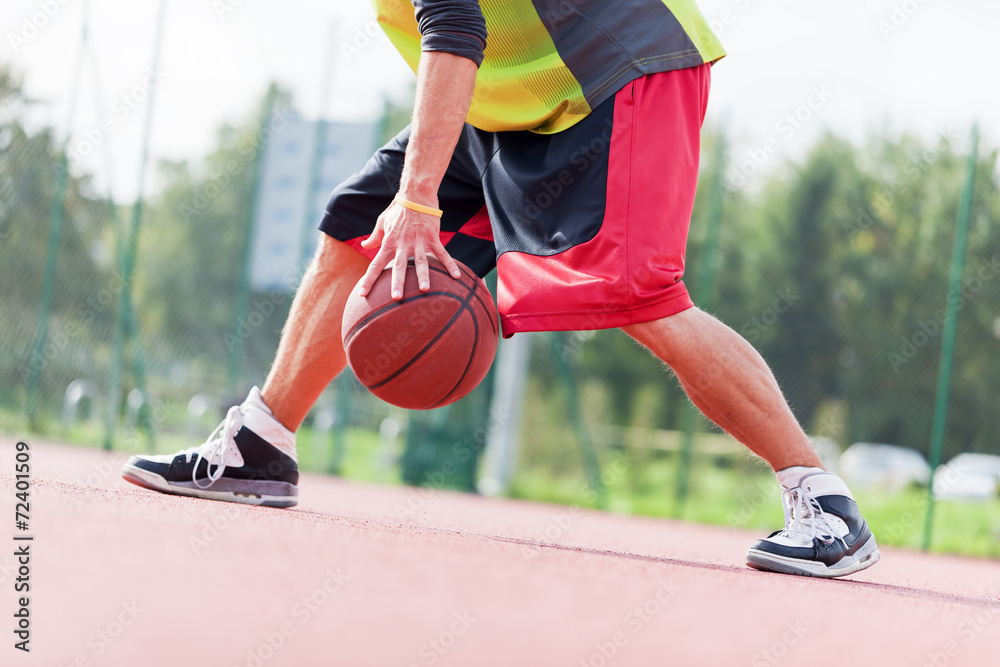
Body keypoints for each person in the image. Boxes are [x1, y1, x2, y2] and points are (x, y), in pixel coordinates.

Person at [122, 0, 880, 579]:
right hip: (512, 97)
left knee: (637, 296)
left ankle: (822, 499)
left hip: (617, 69)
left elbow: (454, 28)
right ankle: (260, 442)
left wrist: (420, 199)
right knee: (359, 228)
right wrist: (409, 196)